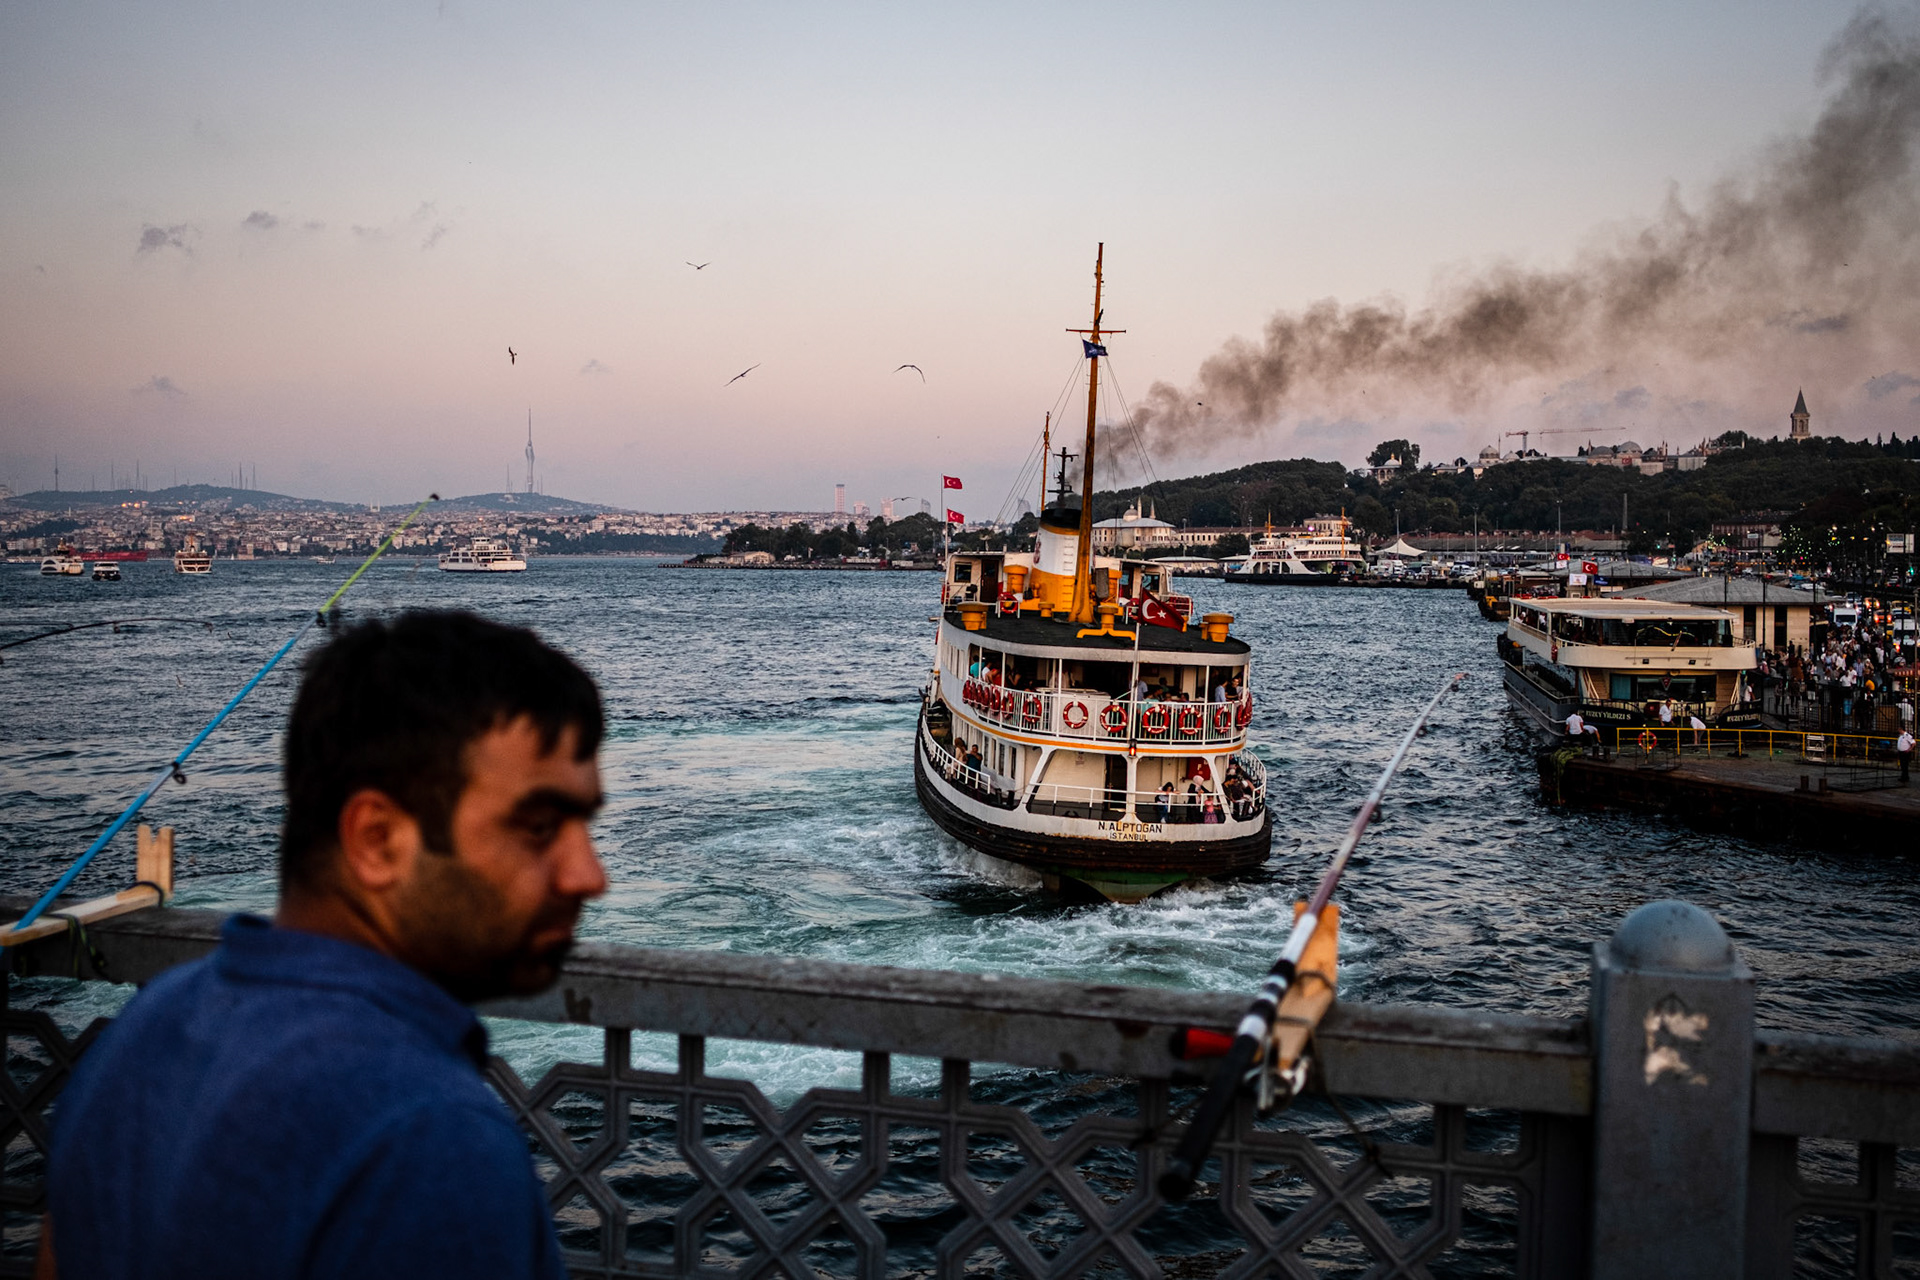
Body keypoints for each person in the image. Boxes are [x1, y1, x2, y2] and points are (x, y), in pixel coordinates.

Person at [44, 611, 608, 1279]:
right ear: (377, 839)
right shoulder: (429, 1139)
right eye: (540, 827)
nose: (589, 875)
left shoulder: (146, 1031)